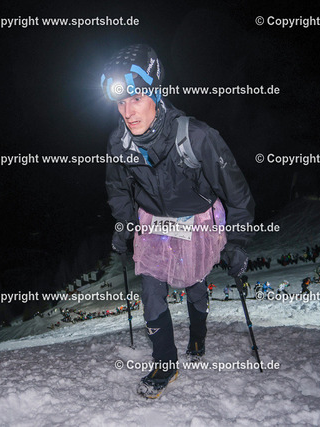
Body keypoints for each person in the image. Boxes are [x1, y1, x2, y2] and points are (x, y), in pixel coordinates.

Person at [102, 44, 255, 398]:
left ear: (156, 94)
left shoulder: (197, 137)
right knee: (151, 290)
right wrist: (124, 224)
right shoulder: (119, 143)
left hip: (197, 222)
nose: (128, 111)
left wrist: (237, 241)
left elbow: (237, 194)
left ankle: (198, 336)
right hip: (153, 223)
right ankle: (165, 362)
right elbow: (118, 188)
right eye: (121, 102)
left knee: (194, 284)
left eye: (136, 98)